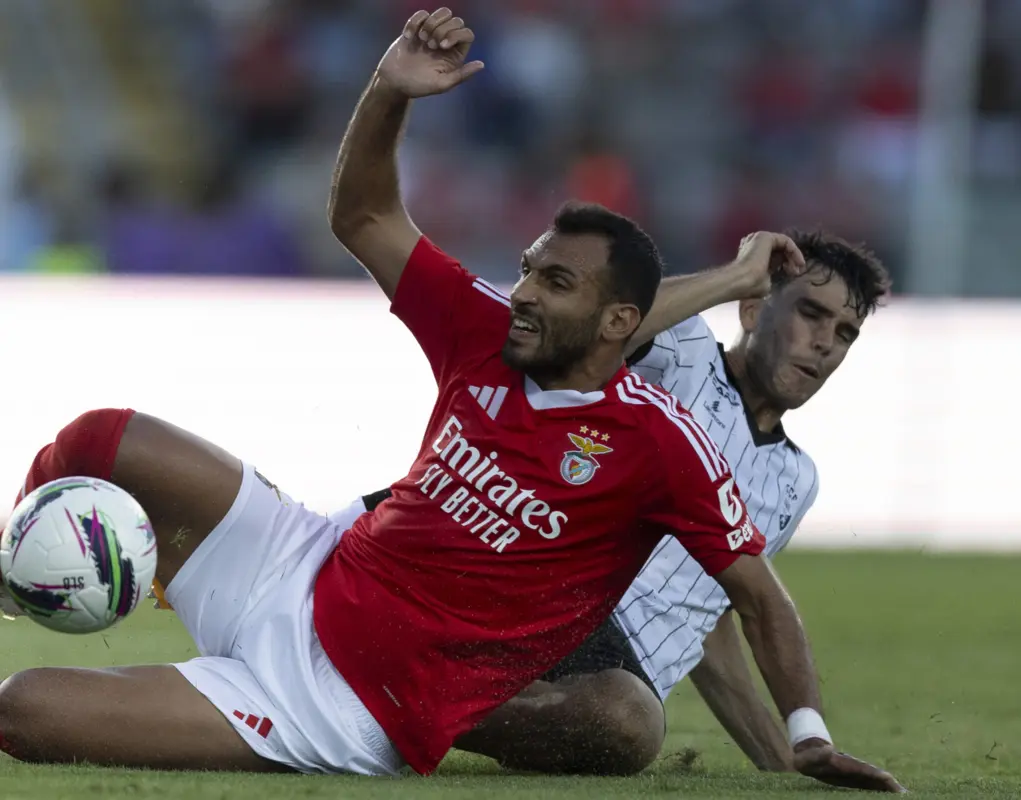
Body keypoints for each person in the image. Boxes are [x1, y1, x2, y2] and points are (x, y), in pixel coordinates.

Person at [0, 9, 902, 792]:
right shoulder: (485, 331)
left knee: (25, 710)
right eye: (526, 271)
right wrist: (390, 91)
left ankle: (386, 720)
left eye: (554, 282)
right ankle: (13, 576)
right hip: (305, 563)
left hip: (333, 703)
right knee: (105, 436)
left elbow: (759, 598)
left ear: (618, 320)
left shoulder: (658, 441)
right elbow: (363, 218)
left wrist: (807, 740)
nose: (523, 293)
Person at [335, 230, 890, 777]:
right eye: (811, 314)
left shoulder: (797, 480)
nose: (825, 342)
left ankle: (386, 691)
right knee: (430, 506)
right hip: (541, 587)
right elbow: (590, 330)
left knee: (628, 722)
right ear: (751, 311)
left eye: (844, 333)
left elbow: (711, 619)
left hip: (619, 672)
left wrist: (788, 762)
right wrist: (734, 277)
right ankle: (333, 623)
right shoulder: (684, 351)